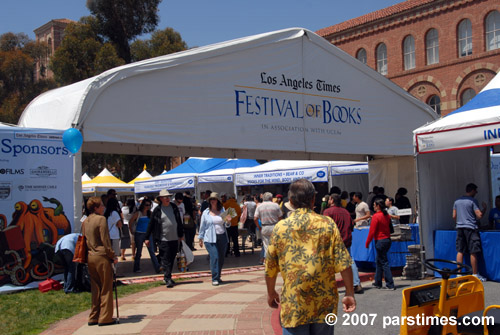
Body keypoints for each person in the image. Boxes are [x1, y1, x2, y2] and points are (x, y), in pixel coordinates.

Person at [265, 179, 356, 335]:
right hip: (324, 303)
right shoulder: (327, 224)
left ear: (291, 201)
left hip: (295, 303)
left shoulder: (281, 228)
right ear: (313, 199)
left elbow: (270, 267)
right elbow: (344, 262)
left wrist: (271, 292)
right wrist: (349, 293)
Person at [83, 196, 117, 326]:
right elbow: (105, 240)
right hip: (102, 256)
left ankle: (94, 316)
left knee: (95, 287)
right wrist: (112, 255)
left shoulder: (86, 220)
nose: (103, 207)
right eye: (101, 205)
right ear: (96, 208)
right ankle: (105, 317)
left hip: (90, 256)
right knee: (106, 287)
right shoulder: (101, 219)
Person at [323, 194, 363, 294]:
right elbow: (351, 225)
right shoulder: (345, 212)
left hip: (334, 241)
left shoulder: (328, 212)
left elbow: (325, 228)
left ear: (332, 200)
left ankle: (329, 286)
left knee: (329, 263)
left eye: (329, 199)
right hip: (346, 240)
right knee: (350, 261)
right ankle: (356, 283)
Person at [146, 189, 184, 288]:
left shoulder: (174, 207)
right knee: (166, 258)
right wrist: (146, 237)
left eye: (168, 197)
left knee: (171, 258)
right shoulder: (157, 210)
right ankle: (167, 278)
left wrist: (181, 234)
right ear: (161, 199)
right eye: (165, 197)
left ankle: (168, 276)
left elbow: (178, 221)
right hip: (163, 239)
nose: (168, 198)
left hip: (174, 238)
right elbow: (151, 224)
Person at [453, 183, 487, 281]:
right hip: (471, 228)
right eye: (475, 191)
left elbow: (454, 216)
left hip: (460, 227)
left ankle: (458, 274)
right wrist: (484, 209)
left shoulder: (457, 201)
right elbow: (479, 215)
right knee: (473, 251)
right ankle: (475, 274)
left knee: (460, 251)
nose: (476, 193)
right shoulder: (473, 201)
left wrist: (459, 223)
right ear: (472, 190)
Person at [198, 192, 231, 286]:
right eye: (211, 199)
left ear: (217, 201)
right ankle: (215, 278)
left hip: (222, 237)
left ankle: (218, 276)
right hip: (210, 238)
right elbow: (202, 226)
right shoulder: (206, 212)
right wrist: (200, 237)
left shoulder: (223, 210)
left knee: (221, 258)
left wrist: (228, 221)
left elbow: (227, 225)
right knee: (214, 256)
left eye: (214, 199)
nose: (213, 201)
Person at [365, 198, 395, 290]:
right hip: (387, 239)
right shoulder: (386, 216)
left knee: (383, 262)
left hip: (380, 240)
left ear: (378, 206)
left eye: (374, 205)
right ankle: (378, 282)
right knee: (379, 260)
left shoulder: (376, 216)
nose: (373, 207)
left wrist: (367, 242)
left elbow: (372, 231)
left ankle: (390, 284)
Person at [129, 199, 160, 274]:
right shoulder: (138, 213)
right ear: (143, 205)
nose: (148, 207)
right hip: (139, 233)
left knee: (152, 251)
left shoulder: (150, 213)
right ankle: (136, 267)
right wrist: (131, 230)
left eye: (149, 205)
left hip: (148, 234)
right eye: (146, 205)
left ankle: (157, 267)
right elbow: (130, 221)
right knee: (139, 252)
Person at [254, 192, 282, 265]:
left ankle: (268, 262)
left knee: (266, 246)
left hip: (265, 227)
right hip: (275, 227)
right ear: (271, 198)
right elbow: (280, 217)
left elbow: (255, 218)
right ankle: (276, 261)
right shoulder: (276, 205)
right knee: (276, 244)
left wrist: (259, 227)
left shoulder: (259, 206)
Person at [104, 198, 122, 274]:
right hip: (114, 235)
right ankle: (114, 272)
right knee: (115, 255)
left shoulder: (105, 213)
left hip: (107, 236)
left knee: (109, 255)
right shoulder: (114, 213)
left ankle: (109, 271)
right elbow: (119, 224)